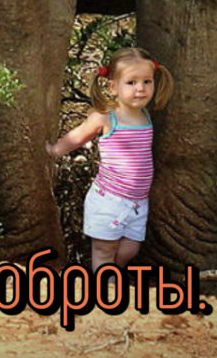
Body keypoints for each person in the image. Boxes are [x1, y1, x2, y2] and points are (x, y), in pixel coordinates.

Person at [45, 46, 174, 272]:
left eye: (147, 82)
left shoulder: (145, 115)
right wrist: (56, 149)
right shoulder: (106, 118)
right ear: (113, 87)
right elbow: (78, 135)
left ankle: (113, 275)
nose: (141, 89)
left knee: (129, 250)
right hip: (109, 200)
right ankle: (105, 290)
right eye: (131, 83)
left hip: (137, 202)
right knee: (104, 250)